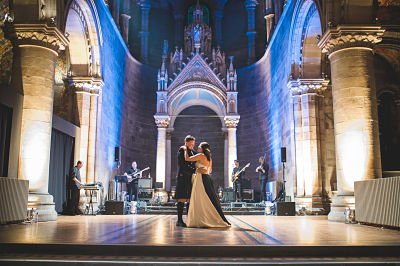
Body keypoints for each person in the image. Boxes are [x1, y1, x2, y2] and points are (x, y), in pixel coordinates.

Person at [184, 142, 230, 228]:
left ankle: (202, 219)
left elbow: (187, 158)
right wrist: (202, 169)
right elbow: (210, 170)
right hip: (207, 178)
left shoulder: (201, 155)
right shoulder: (209, 158)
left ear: (202, 149)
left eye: (199, 147)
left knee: (200, 198)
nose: (197, 148)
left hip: (201, 179)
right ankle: (209, 218)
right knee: (208, 198)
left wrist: (186, 148)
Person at [175, 135, 197, 227]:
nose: (192, 145)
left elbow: (196, 161)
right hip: (183, 176)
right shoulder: (182, 150)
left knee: (189, 199)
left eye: (193, 144)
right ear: (186, 142)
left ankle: (189, 219)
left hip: (190, 177)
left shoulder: (193, 151)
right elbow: (182, 164)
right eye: (191, 143)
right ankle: (179, 220)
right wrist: (193, 169)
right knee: (182, 198)